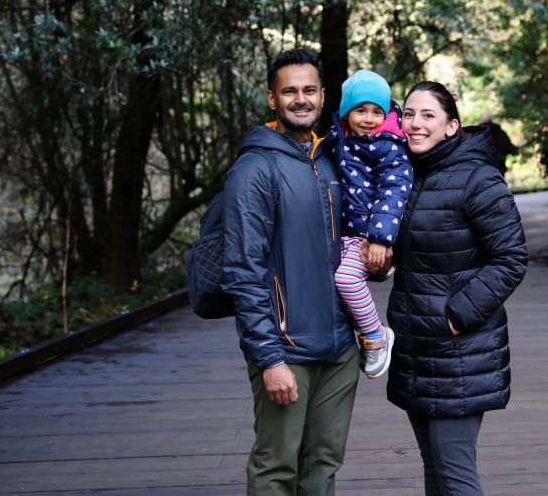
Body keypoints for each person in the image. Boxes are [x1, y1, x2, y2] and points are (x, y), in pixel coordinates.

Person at [221, 48, 359, 495]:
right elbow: (243, 269)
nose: (301, 99)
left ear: (323, 97)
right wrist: (269, 356)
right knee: (276, 466)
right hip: (286, 348)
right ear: (271, 98)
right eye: (289, 91)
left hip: (340, 347)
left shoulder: (330, 159)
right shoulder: (254, 168)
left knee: (322, 465)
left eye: (309, 90)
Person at [385, 81, 529, 496]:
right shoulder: (404, 177)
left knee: (455, 471)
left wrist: (457, 315)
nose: (415, 123)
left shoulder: (478, 178)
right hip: (414, 349)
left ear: (451, 126)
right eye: (408, 114)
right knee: (434, 466)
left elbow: (511, 258)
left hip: (459, 352)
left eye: (428, 115)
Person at [326, 68, 412, 379]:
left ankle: (376, 335)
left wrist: (380, 239)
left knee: (346, 281)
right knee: (332, 284)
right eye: (360, 110)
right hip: (345, 234)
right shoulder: (340, 141)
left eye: (377, 111)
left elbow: (393, 193)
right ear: (346, 112)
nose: (369, 118)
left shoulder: (388, 144)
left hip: (366, 236)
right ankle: (363, 332)